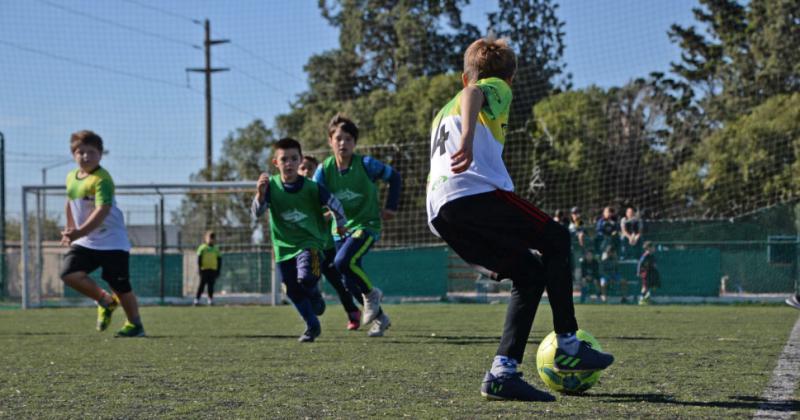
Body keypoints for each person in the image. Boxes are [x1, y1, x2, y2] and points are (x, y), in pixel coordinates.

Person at [425, 36, 613, 402]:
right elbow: (475, 94)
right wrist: (467, 139)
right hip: (472, 194)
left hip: (442, 211)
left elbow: (467, 95)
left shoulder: (441, 111)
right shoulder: (494, 85)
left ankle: (501, 373)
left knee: (529, 273)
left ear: (462, 76)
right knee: (557, 238)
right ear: (509, 80)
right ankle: (569, 345)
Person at [312, 114, 402, 338]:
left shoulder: (367, 164)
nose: (343, 143)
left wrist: (390, 207)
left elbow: (395, 178)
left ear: (355, 142)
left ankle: (372, 295)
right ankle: (381, 318)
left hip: (366, 225)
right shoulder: (323, 171)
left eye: (349, 139)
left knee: (342, 262)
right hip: (339, 230)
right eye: (339, 138)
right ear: (330, 141)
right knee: (347, 279)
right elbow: (314, 198)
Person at [252, 138, 348, 342]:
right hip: (282, 248)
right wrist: (260, 195)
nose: (289, 163)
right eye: (284, 159)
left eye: (294, 158)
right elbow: (257, 213)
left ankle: (313, 294)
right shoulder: (271, 187)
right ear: (275, 163)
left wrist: (340, 223)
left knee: (305, 278)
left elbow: (335, 203)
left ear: (300, 160)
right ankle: (312, 326)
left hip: (309, 243)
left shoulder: (312, 188)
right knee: (291, 288)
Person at [59, 130, 145, 337]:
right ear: (73, 154)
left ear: (100, 154)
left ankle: (135, 325)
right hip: (86, 240)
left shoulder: (102, 179)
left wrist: (79, 232)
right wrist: (70, 229)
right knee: (69, 274)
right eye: (80, 152)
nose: (86, 156)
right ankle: (105, 301)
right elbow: (70, 204)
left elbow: (102, 211)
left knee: (120, 285)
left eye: (91, 152)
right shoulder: (72, 177)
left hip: (112, 242)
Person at [299, 155, 364, 330]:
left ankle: (354, 312)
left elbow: (335, 209)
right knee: (304, 279)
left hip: (329, 246)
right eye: (302, 168)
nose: (305, 172)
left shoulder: (321, 190)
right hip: (310, 248)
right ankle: (314, 303)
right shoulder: (296, 195)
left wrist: (322, 217)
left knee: (341, 284)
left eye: (309, 169)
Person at [195, 230, 221, 306]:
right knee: (201, 285)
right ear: (206, 238)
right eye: (210, 238)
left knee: (211, 285)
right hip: (204, 269)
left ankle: (210, 300)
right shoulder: (202, 248)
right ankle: (196, 300)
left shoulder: (216, 249)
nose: (211, 240)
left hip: (213, 270)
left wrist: (218, 270)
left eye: (213, 238)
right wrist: (199, 269)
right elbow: (199, 259)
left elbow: (219, 260)